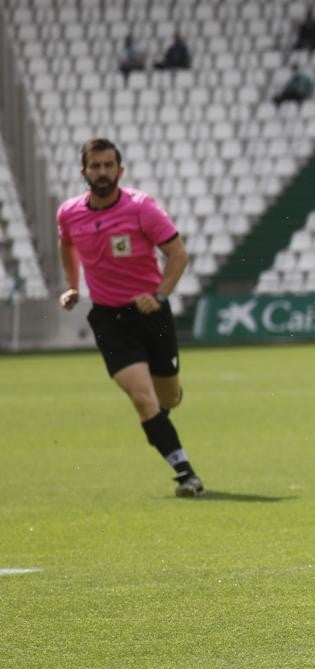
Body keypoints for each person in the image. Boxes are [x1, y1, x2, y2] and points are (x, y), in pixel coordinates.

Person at [57, 138, 202, 498]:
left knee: (168, 395)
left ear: (120, 170)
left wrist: (160, 294)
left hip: (151, 313)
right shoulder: (69, 213)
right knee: (142, 398)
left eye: (109, 165)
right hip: (109, 318)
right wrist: (72, 286)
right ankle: (186, 473)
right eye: (95, 166)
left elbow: (178, 255)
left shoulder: (143, 208)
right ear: (84, 172)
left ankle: (162, 416)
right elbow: (66, 244)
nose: (102, 172)